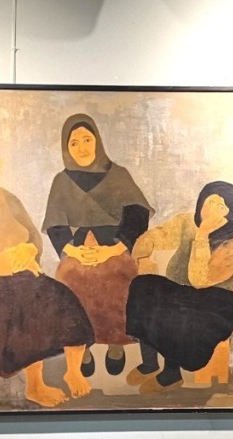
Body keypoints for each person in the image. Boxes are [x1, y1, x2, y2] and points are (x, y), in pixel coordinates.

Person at [0, 134, 94, 406]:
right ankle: (35, 386)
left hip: (22, 274)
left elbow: (33, 235)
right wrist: (10, 260)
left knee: (61, 296)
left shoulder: (5, 196)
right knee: (24, 309)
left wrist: (29, 251)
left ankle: (73, 371)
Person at [42, 114, 153, 377]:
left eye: (87, 140)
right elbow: (56, 225)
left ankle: (116, 342)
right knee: (71, 276)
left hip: (116, 244)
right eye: (74, 143)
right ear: (66, 147)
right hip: (79, 246)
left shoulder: (119, 174)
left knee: (119, 276)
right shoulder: (61, 180)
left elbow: (137, 215)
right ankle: (83, 344)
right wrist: (74, 251)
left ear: (97, 141)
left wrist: (114, 249)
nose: (81, 148)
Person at [125, 182, 233, 393]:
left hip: (216, 302)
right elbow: (155, 236)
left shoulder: (232, 248)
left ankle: (171, 374)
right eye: (211, 201)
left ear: (231, 214)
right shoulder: (187, 222)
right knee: (142, 285)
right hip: (179, 290)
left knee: (177, 314)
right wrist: (143, 257)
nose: (213, 209)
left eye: (222, 206)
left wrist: (202, 235)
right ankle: (150, 363)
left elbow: (199, 280)